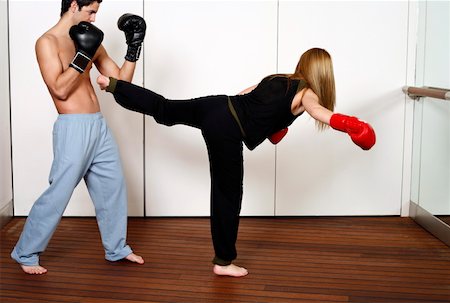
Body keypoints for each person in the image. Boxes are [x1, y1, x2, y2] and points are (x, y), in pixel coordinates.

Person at [97, 47, 376, 277]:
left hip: (217, 105)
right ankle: (223, 262)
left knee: (166, 108)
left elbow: (244, 95)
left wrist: (268, 122)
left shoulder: (277, 78)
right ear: (325, 74)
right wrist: (352, 126)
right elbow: (320, 113)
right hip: (227, 127)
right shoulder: (307, 94)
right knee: (228, 193)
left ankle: (113, 85)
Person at [11, 0, 147, 275]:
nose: (94, 19)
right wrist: (83, 55)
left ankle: (116, 248)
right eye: (91, 11)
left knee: (112, 187)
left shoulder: (91, 39)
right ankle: (26, 252)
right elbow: (59, 90)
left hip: (98, 125)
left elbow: (121, 83)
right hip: (73, 127)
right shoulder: (47, 42)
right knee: (59, 192)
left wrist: (134, 48)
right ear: (73, 5)